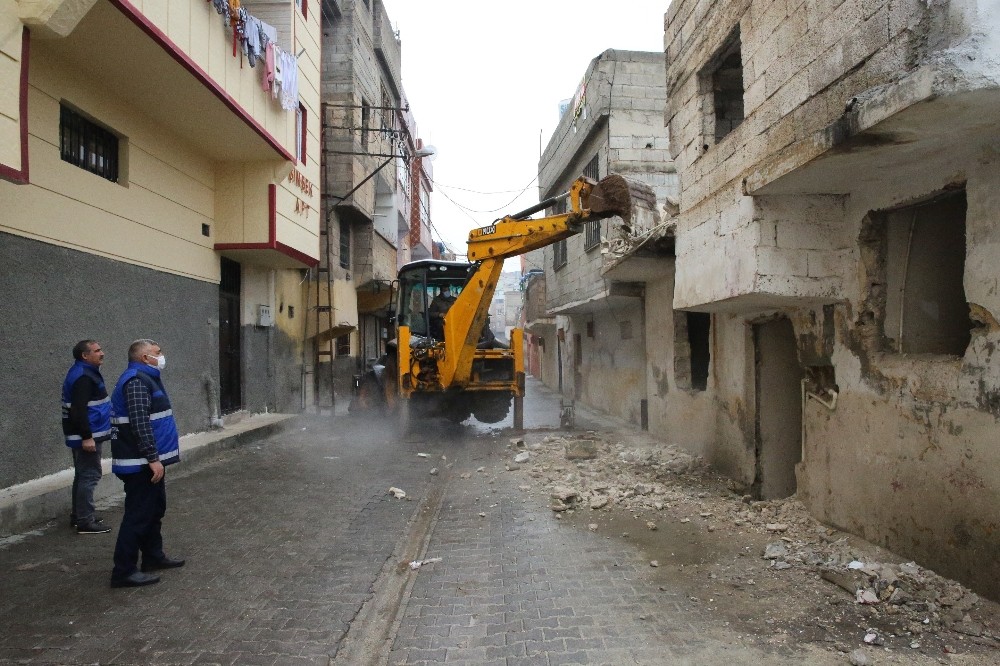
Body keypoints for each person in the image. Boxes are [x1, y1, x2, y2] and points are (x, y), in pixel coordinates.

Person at [108, 339, 185, 588]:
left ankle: (153, 557)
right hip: (140, 462)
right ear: (144, 358)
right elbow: (139, 422)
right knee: (138, 516)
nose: (161, 356)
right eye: (157, 352)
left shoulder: (146, 377)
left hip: (148, 461)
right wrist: (152, 458)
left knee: (154, 510)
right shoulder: (137, 381)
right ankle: (124, 571)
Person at [62, 340, 113, 535]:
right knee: (89, 476)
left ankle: (79, 515)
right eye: (97, 350)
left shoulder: (84, 372)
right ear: (85, 355)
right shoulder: (83, 376)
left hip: (86, 434)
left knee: (83, 474)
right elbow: (78, 410)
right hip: (87, 436)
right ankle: (85, 521)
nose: (102, 353)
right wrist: (87, 437)